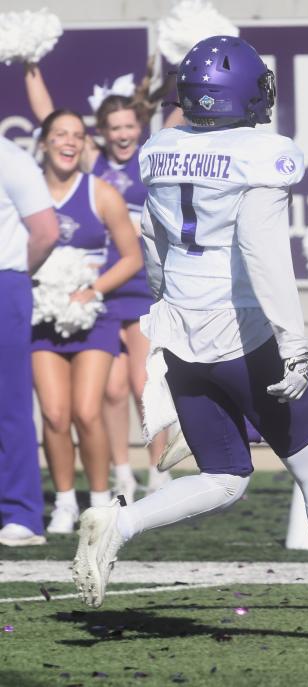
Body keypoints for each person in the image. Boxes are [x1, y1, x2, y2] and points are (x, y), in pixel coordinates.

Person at [71, 36, 308, 643]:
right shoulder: (263, 152)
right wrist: (293, 342)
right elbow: (265, 257)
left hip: (181, 334)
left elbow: (153, 241)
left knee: (227, 477)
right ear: (241, 94)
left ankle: (120, 523)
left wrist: (166, 306)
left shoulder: (160, 150)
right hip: (243, 335)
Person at [25, 60, 175, 502]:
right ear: (102, 134)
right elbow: (49, 121)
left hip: (141, 284)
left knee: (142, 384)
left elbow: (177, 117)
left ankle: (159, 472)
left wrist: (183, 62)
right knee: (109, 390)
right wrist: (30, 62)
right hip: (103, 289)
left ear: (140, 125)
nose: (123, 134)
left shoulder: (153, 156)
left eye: (129, 125)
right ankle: (120, 472)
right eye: (113, 128)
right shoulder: (94, 163)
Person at [32, 110, 143, 535]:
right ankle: (63, 502)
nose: (69, 142)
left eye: (77, 136)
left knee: (86, 411)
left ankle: (98, 502)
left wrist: (92, 290)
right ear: (43, 142)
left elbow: (131, 257)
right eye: (60, 134)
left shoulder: (101, 193)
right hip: (42, 318)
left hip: (92, 317)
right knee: (56, 415)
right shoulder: (26, 194)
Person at [0, 138, 60, 547]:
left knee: (10, 403)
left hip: (4, 280)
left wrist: (16, 275)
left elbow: (45, 232)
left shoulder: (11, 158)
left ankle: (21, 513)